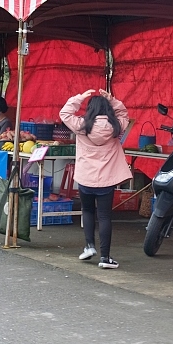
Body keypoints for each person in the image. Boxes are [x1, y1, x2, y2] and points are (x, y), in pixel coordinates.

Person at [60, 89, 131, 269]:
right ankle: (105, 258)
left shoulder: (81, 126)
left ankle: (89, 246)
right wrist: (112, 99)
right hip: (107, 180)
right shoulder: (116, 126)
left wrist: (80, 97)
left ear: (89, 109)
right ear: (108, 109)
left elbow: (65, 113)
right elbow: (124, 113)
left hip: (85, 178)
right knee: (105, 217)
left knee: (88, 211)